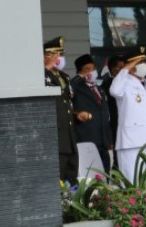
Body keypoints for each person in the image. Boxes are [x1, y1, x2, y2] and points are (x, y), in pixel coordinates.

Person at [109, 47, 146, 183]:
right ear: (131, 65)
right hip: (131, 143)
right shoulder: (123, 82)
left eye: (145, 62)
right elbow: (114, 91)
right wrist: (125, 69)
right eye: (140, 62)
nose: (144, 66)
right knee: (132, 182)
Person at [43, 36, 79, 183]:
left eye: (61, 54)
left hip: (69, 136)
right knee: (59, 178)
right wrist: (47, 67)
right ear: (48, 56)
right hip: (56, 137)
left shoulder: (65, 76)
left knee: (72, 176)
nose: (61, 58)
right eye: (58, 55)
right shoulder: (42, 75)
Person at [71, 54, 112, 174]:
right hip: (86, 138)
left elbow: (105, 114)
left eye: (93, 68)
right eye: (87, 70)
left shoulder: (100, 89)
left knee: (105, 173)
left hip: (103, 141)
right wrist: (79, 77)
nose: (92, 72)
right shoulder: (77, 88)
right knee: (91, 174)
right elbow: (69, 87)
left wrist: (109, 138)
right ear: (80, 72)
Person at [100, 55, 125, 169]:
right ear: (115, 70)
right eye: (122, 68)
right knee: (118, 156)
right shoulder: (108, 85)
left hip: (125, 124)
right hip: (115, 125)